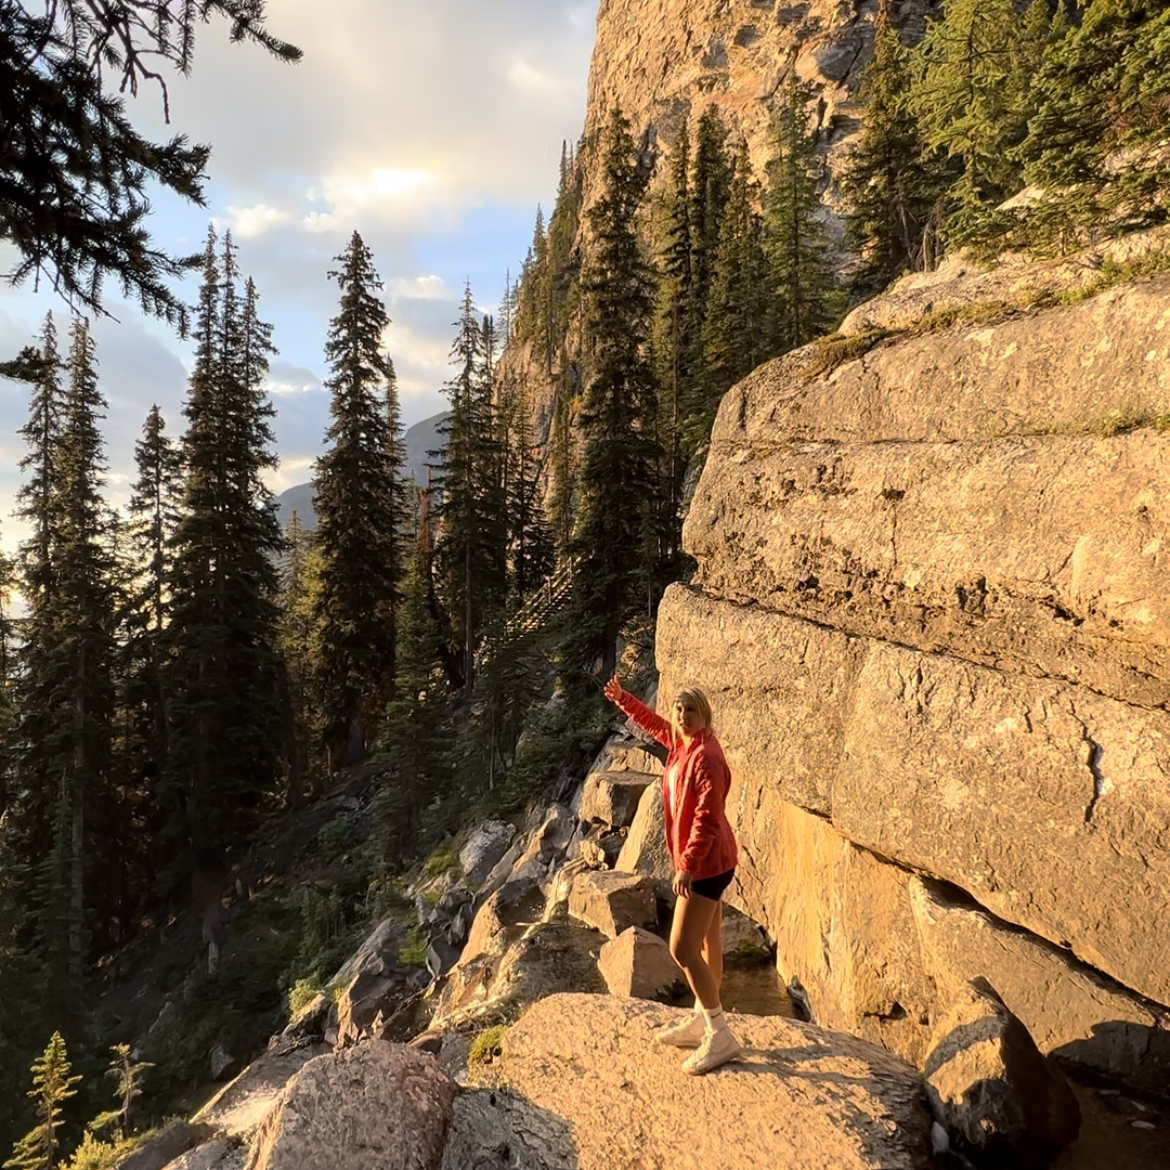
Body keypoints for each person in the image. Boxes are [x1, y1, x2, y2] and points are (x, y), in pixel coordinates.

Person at [603, 675, 741, 1075]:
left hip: (707, 865)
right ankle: (703, 1018)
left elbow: (706, 818)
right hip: (711, 861)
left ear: (705, 714)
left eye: (690, 710)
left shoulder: (707, 758)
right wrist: (625, 700)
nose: (681, 716)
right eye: (679, 709)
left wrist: (687, 867)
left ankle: (720, 1034)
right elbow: (654, 724)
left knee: (681, 948)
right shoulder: (684, 743)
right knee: (707, 946)